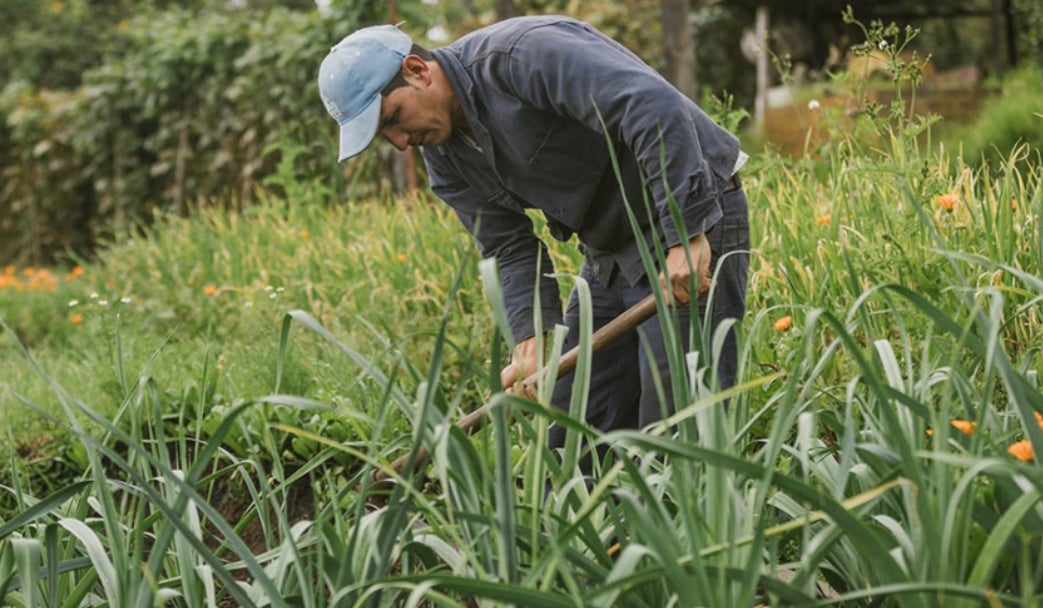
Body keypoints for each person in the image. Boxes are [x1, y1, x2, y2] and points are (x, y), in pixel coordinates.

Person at [317, 16, 750, 467]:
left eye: (394, 118)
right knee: (575, 432)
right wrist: (531, 337)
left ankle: (694, 530)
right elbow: (508, 246)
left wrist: (686, 230)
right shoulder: (443, 157)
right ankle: (598, 537)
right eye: (386, 138)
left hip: (692, 213)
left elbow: (649, 106)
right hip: (609, 251)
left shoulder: (520, 56)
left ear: (417, 70)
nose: (402, 142)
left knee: (676, 427)